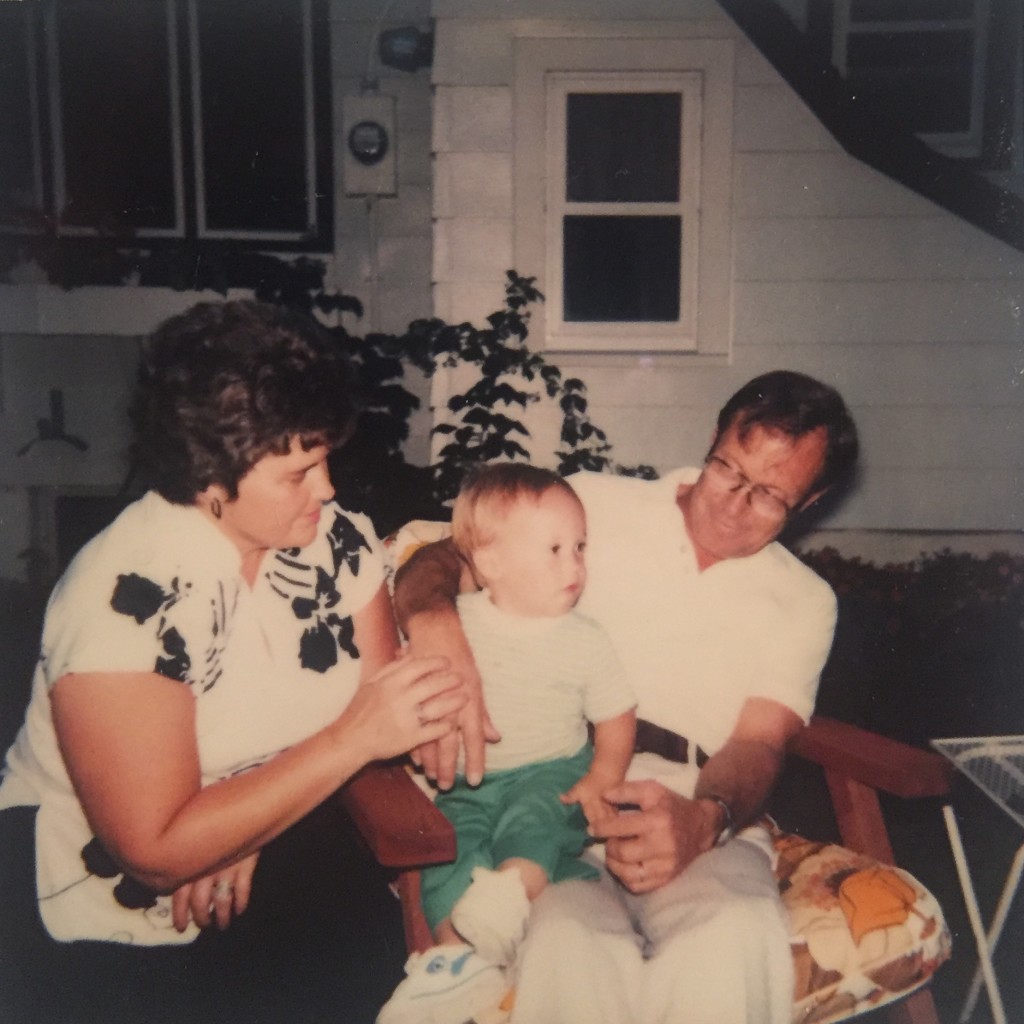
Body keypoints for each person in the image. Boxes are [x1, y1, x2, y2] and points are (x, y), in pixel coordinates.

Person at [0, 299, 466, 1024]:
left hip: (272, 836)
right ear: (211, 479)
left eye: (324, 461)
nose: (328, 489)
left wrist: (250, 819)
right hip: (102, 894)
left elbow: (379, 703)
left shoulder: (328, 540)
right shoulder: (129, 598)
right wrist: (337, 749)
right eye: (299, 473)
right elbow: (155, 850)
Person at [392, 370, 859, 1024]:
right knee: (566, 947)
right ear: (712, 440)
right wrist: (435, 623)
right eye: (727, 469)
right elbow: (442, 561)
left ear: (809, 504)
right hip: (548, 785)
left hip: (697, 804)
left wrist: (706, 818)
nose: (732, 503)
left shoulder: (804, 601)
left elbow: (758, 742)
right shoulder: (592, 505)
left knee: (731, 936)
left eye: (768, 496)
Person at [378, 464, 636, 1024]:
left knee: (532, 819)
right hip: (471, 781)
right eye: (554, 549)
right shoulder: (454, 627)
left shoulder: (585, 638)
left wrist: (603, 777)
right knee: (450, 850)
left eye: (579, 547)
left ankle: (512, 892)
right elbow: (418, 690)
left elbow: (617, 716)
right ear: (489, 562)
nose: (575, 565)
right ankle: (455, 961)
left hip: (556, 771)